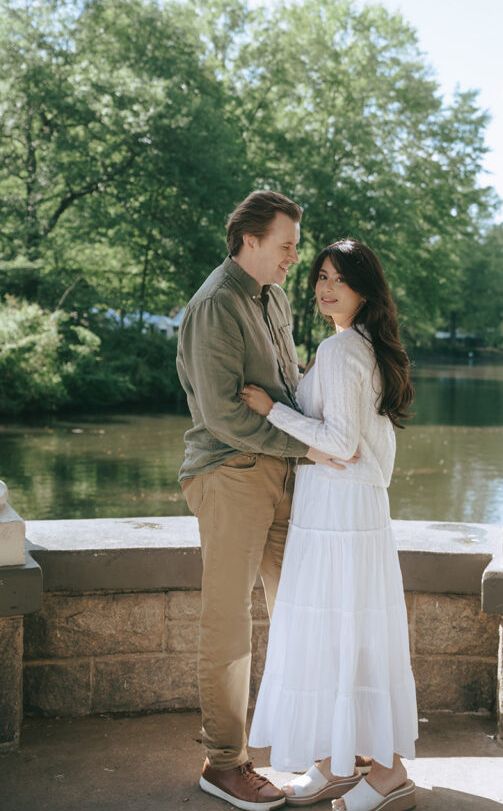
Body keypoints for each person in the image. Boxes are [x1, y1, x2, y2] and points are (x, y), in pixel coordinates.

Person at [177, 191, 348, 811]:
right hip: (230, 474)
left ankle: (318, 750)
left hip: (280, 474)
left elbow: (287, 384)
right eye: (286, 245)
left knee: (300, 609)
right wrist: (309, 450)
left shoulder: (270, 297)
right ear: (250, 240)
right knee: (228, 620)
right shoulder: (215, 305)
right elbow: (222, 414)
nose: (294, 258)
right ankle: (224, 762)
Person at [241, 239, 418, 811]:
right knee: (347, 632)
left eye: (338, 278)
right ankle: (343, 758)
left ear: (365, 288)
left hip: (340, 510)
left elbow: (341, 444)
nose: (324, 286)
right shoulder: (355, 345)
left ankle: (388, 774)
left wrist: (273, 411)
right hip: (346, 509)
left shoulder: (344, 351)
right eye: (319, 275)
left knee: (346, 632)